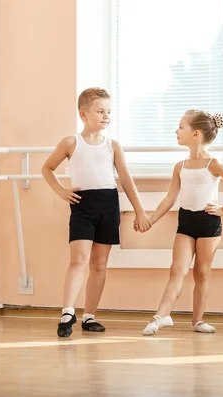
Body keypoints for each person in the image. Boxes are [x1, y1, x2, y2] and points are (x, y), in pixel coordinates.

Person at [42, 87, 152, 337]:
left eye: (109, 111)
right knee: (78, 259)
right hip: (83, 205)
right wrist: (61, 191)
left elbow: (126, 179)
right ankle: (67, 312)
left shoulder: (113, 146)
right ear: (83, 114)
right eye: (100, 111)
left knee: (99, 263)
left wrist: (140, 211)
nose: (106, 116)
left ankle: (89, 315)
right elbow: (47, 168)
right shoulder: (71, 142)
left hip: (108, 204)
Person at [137, 110, 223, 336]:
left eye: (180, 127)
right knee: (177, 270)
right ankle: (161, 316)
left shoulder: (213, 164)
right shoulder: (180, 166)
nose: (176, 131)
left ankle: (198, 320)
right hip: (185, 221)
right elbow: (170, 198)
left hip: (209, 224)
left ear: (195, 133)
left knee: (202, 273)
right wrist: (151, 220)